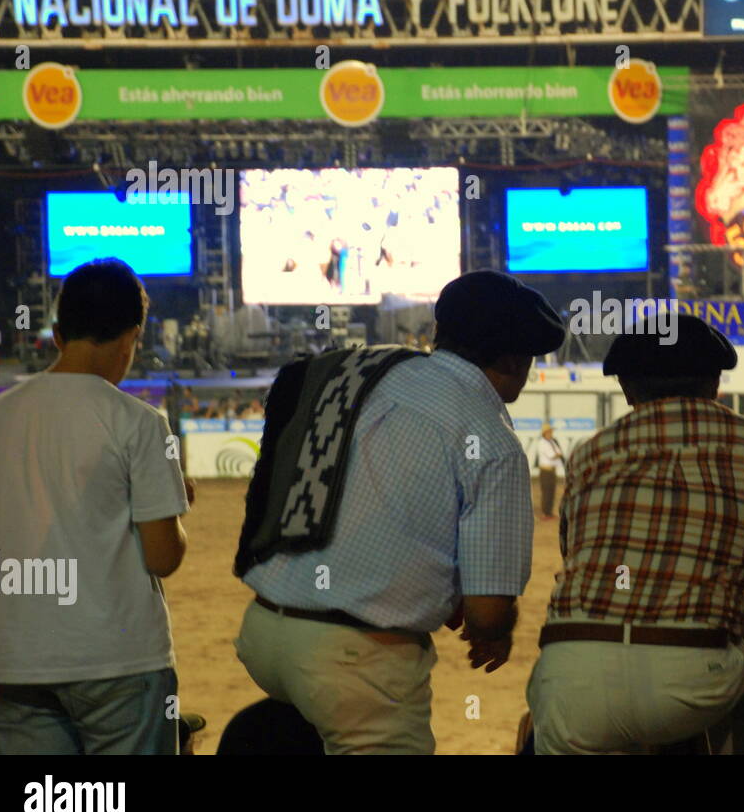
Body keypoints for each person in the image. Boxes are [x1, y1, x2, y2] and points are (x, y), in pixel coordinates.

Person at [234, 270, 565, 754]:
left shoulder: (370, 373)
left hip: (263, 631)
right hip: (355, 662)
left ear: (440, 334)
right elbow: (489, 609)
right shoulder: (492, 439)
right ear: (516, 359)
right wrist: (493, 633)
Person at [526, 314, 744, 754]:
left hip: (572, 674)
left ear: (628, 390)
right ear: (715, 385)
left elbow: (573, 555)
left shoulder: (591, 452)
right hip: (694, 678)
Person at [0, 259, 190, 754]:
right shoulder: (139, 423)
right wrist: (175, 515)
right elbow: (163, 556)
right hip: (118, 661)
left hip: (17, 661)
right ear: (130, 337)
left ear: (55, 335)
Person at [535, 423, 565, 520]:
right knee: (547, 492)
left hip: (551, 470)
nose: (551, 433)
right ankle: (545, 513)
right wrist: (558, 454)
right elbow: (553, 455)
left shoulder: (551, 441)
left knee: (551, 492)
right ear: (545, 433)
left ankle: (549, 512)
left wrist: (558, 454)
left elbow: (558, 453)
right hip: (546, 470)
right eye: (549, 432)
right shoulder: (542, 443)